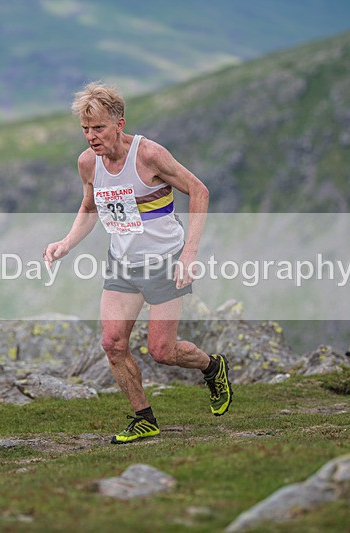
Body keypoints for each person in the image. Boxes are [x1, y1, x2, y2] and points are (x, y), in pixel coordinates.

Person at [44, 81, 233, 443]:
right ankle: (143, 417)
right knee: (113, 344)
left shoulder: (148, 155)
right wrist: (66, 243)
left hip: (165, 260)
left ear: (119, 123)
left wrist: (190, 254)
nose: (91, 137)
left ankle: (212, 367)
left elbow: (199, 191)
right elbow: (90, 208)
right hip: (123, 263)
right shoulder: (88, 163)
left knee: (163, 351)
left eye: (98, 128)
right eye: (85, 130)